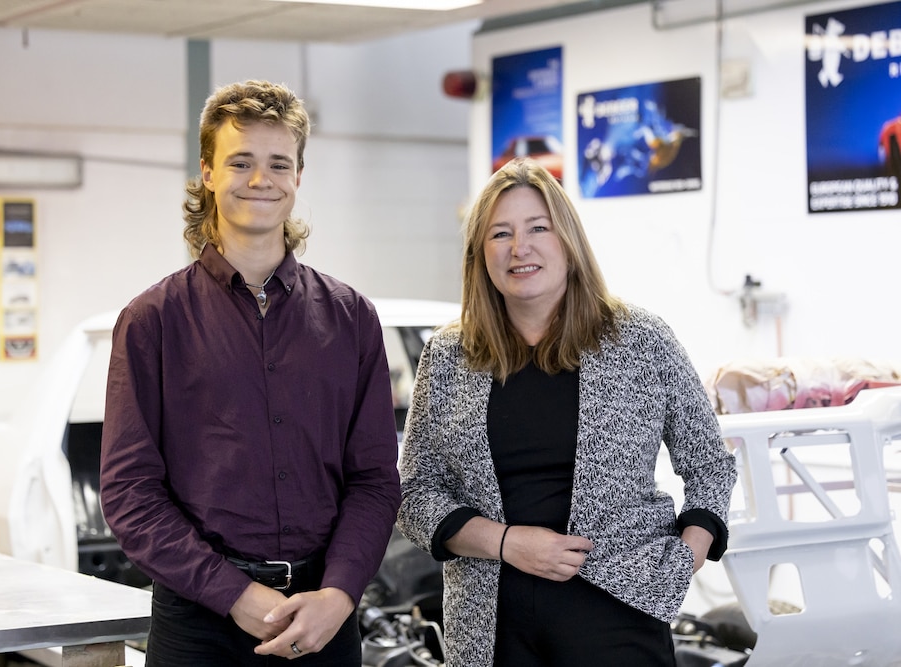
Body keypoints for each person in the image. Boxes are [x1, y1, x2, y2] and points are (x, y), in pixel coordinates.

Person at [100, 79, 401, 666]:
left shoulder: (352, 318)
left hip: (324, 617)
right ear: (208, 173)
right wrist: (232, 594)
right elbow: (130, 492)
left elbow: (374, 479)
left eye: (278, 163)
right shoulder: (151, 321)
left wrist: (339, 594)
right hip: (200, 622)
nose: (260, 180)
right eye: (240, 161)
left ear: (297, 177)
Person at [395, 157, 737, 666]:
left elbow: (710, 463)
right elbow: (415, 493)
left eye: (538, 228)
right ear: (479, 254)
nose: (520, 248)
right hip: (490, 623)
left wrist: (684, 559)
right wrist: (507, 543)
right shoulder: (449, 355)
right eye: (500, 234)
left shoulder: (640, 340)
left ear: (569, 241)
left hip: (620, 610)